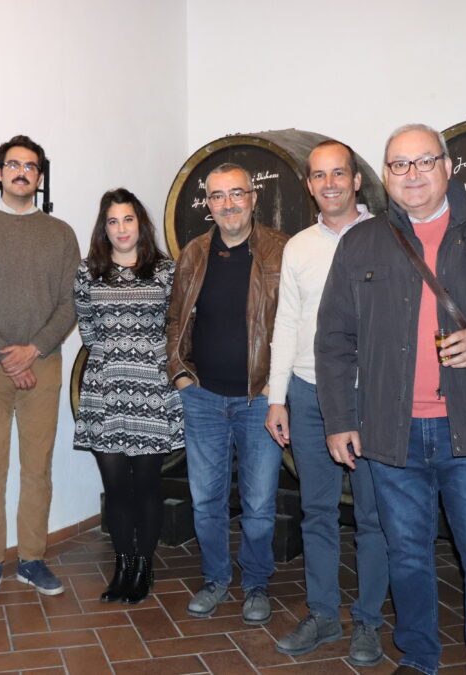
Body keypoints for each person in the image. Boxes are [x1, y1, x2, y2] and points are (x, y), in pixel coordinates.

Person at [316, 124, 466, 675]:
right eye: (398, 165)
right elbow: (334, 338)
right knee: (406, 555)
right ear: (384, 177)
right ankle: (419, 656)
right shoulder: (362, 242)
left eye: (423, 162)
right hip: (392, 430)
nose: (411, 175)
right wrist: (339, 419)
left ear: (448, 167)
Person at [265, 141, 388, 665]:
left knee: (373, 515)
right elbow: (285, 324)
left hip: (369, 394)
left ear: (356, 180)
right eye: (319, 176)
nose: (330, 183)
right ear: (309, 185)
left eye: (339, 173)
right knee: (315, 510)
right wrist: (277, 398)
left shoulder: (386, 238)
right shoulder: (298, 247)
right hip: (308, 392)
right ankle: (322, 613)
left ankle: (367, 621)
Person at [0, 135, 80, 602]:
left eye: (30, 166)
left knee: (37, 468)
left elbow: (70, 303)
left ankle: (31, 559)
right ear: (0, 173)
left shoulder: (61, 233)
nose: (21, 172)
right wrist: (9, 355)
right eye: (13, 165)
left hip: (43, 364)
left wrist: (35, 350)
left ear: (39, 177)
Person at [165, 162, 289, 625]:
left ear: (253, 198)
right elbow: (177, 318)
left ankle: (255, 583)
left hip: (261, 398)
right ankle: (215, 578)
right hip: (204, 397)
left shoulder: (280, 251)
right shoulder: (195, 252)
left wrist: (281, 391)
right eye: (218, 196)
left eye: (237, 193)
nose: (229, 203)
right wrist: (179, 374)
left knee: (258, 503)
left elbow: (295, 324)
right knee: (206, 499)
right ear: (208, 205)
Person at [73, 188, 183, 605]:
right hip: (105, 389)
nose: (121, 229)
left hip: (152, 390)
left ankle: (144, 565)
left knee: (147, 485)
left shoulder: (165, 272)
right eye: (113, 221)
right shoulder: (88, 272)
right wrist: (113, 356)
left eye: (128, 220)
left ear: (141, 224)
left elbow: (176, 326)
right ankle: (122, 565)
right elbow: (86, 327)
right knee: (116, 486)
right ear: (105, 227)